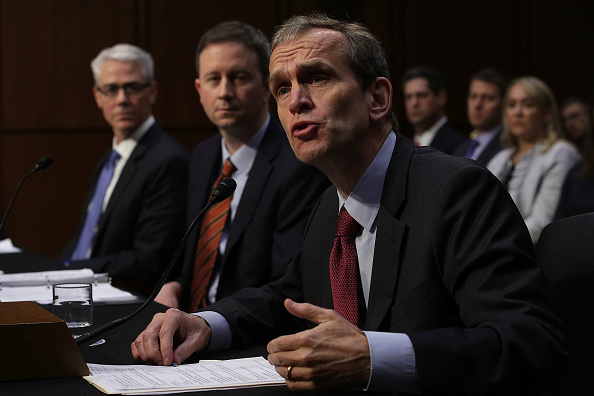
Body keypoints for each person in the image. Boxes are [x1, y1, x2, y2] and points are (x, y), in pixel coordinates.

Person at [132, 14, 566, 394]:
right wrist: (206, 323)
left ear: (377, 98)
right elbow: (288, 295)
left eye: (316, 78)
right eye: (282, 89)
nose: (296, 101)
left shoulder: (455, 191)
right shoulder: (330, 206)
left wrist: (374, 356)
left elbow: (530, 344)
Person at [154, 21, 328, 311]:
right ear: (199, 89)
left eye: (238, 77)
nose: (224, 91)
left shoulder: (298, 163)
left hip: (248, 334)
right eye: (213, 79)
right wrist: (177, 285)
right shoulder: (202, 156)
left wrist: (210, 321)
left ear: (266, 87)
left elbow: (286, 285)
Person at [59, 44, 188, 294]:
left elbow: (149, 261)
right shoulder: (109, 160)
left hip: (124, 298)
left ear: (152, 91)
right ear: (97, 96)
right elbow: (86, 240)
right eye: (111, 89)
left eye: (132, 87)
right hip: (81, 289)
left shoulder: (168, 160)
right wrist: (52, 269)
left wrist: (69, 268)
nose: (122, 100)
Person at [487, 76, 580, 243]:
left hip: (531, 256)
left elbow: (543, 222)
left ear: (546, 113)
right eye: (511, 105)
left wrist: (492, 245)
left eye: (528, 104)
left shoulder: (560, 153)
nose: (518, 112)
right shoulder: (499, 159)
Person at [402, 66, 468, 154]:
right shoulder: (405, 146)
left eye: (422, 95)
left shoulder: (460, 146)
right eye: (408, 97)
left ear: (441, 97)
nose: (414, 103)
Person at [453, 68, 508, 166]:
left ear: (504, 103)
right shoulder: (461, 147)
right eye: (473, 96)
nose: (477, 105)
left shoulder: (508, 146)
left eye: (487, 98)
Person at [555, 97, 594, 219]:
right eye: (565, 120)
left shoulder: (564, 152)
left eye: (575, 116)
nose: (569, 124)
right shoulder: (576, 171)